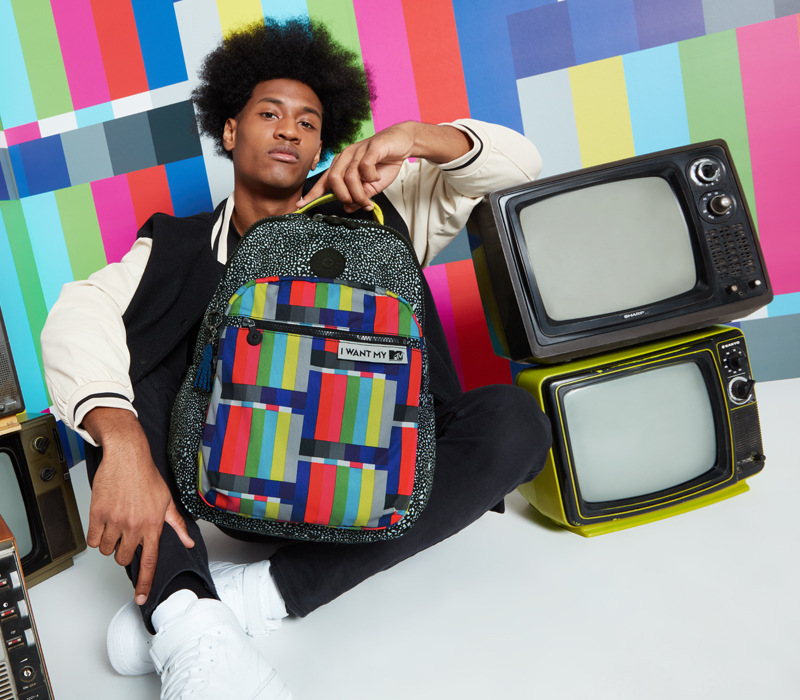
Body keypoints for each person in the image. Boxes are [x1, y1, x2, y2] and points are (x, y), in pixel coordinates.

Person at [41, 18, 551, 700]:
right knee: (127, 374)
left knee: (518, 422)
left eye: (308, 122)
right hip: (234, 484)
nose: (289, 131)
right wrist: (122, 437)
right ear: (229, 131)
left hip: (374, 487)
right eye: (269, 114)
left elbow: (520, 163)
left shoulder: (377, 213)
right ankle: (188, 617)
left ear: (321, 143)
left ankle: (232, 601)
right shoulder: (177, 246)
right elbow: (78, 313)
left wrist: (413, 137)